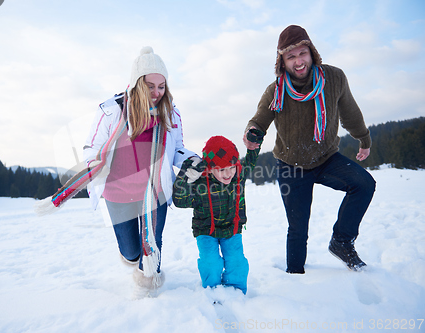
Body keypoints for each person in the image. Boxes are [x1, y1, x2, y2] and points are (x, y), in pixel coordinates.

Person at [243, 25, 376, 274]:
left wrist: (364, 139)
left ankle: (342, 241)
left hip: (326, 158)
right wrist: (253, 133)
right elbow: (259, 120)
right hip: (290, 164)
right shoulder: (276, 90)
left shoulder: (334, 79)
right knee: (298, 229)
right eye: (290, 57)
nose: (298, 61)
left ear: (312, 52)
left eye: (302, 53)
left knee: (364, 184)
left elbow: (350, 113)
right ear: (282, 62)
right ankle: (295, 275)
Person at [83, 46, 197, 296]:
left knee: (152, 246)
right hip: (119, 193)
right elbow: (93, 147)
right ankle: (134, 257)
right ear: (136, 83)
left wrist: (197, 160)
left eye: (161, 86)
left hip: (155, 192)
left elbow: (177, 149)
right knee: (131, 252)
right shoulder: (112, 110)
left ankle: (150, 294)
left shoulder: (170, 113)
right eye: (150, 86)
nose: (156, 93)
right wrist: (94, 165)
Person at [173, 135, 262, 294]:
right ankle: (212, 290)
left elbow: (250, 161)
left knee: (237, 262)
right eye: (222, 169)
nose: (228, 174)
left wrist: (254, 146)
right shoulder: (200, 182)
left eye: (232, 167)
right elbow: (179, 200)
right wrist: (186, 175)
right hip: (206, 230)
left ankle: (236, 291)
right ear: (210, 168)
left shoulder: (238, 175)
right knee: (211, 263)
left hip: (231, 228)